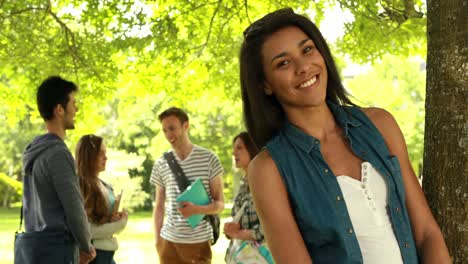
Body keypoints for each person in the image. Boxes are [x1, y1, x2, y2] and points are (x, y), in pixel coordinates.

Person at [240, 8, 451, 264]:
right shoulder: (268, 169)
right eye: (283, 63)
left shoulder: (380, 125)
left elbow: (427, 233)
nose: (303, 67)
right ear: (265, 84)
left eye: (307, 50)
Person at [18, 76, 96, 264]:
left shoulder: (34, 152)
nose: (76, 109)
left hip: (33, 250)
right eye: (73, 103)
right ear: (59, 110)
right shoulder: (58, 154)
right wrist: (86, 247)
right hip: (57, 250)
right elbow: (74, 207)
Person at [150, 107, 225, 264]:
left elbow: (220, 204)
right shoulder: (161, 164)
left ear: (186, 126)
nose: (168, 134)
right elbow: (159, 206)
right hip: (168, 243)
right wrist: (158, 241)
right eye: (164, 130)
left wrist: (198, 210)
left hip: (198, 243)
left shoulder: (209, 159)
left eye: (172, 128)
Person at [76, 134, 128, 264]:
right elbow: (87, 230)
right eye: (101, 154)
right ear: (89, 157)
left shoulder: (103, 184)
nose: (106, 157)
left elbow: (100, 220)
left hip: (107, 254)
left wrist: (112, 219)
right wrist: (120, 224)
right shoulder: (82, 185)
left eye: (106, 152)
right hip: (95, 256)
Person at [224, 132, 266, 261]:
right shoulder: (244, 182)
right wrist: (231, 229)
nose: (233, 153)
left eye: (239, 148)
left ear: (252, 149)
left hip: (261, 255)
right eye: (234, 148)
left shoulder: (265, 182)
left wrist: (239, 234)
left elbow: (268, 229)